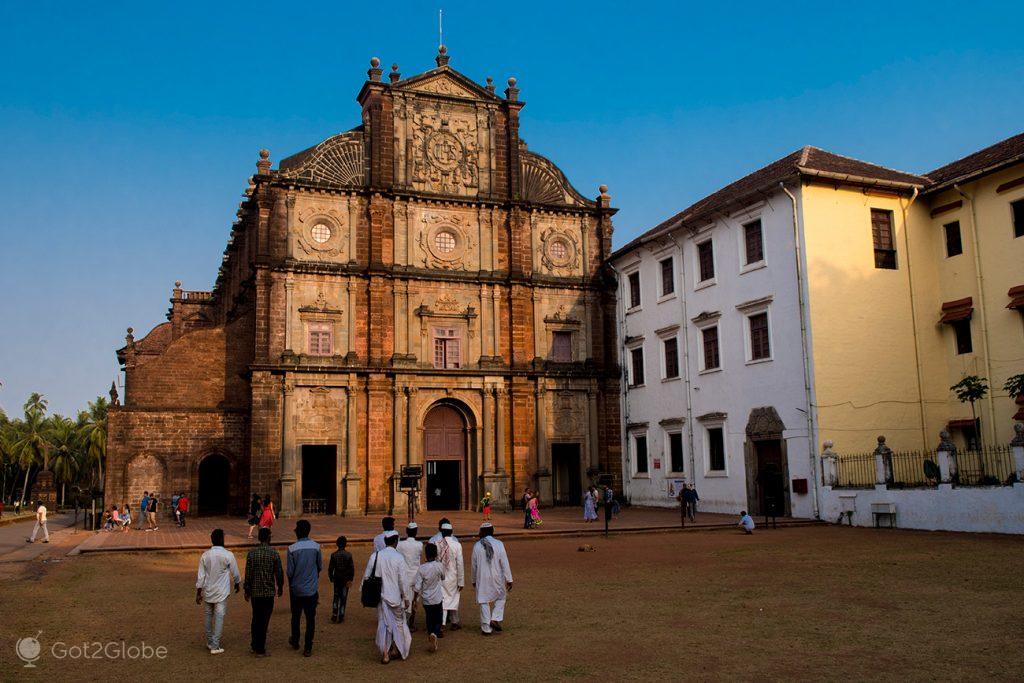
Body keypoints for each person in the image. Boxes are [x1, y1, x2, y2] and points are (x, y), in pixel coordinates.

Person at [364, 530, 411, 664]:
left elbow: (367, 576)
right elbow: (403, 580)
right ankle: (396, 649)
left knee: (383, 623)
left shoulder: (376, 556)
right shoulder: (399, 557)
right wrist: (406, 597)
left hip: (381, 597)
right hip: (395, 597)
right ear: (396, 542)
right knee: (399, 623)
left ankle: (385, 653)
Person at [195, 528, 241, 654]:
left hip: (208, 590)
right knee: (219, 616)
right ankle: (215, 645)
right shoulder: (228, 555)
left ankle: (210, 642)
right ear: (222, 539)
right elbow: (235, 573)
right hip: (222, 591)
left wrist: (198, 593)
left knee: (208, 615)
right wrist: (237, 583)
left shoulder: (205, 555)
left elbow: (201, 576)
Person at [244, 526, 284, 657]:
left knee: (256, 618)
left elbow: (248, 574)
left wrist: (247, 590)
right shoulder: (274, 554)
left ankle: (254, 645)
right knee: (264, 620)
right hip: (268, 592)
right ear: (268, 538)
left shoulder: (252, 554)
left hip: (255, 592)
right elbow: (279, 573)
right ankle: (260, 648)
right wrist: (281, 586)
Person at [287, 519, 321, 657]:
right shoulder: (316, 547)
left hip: (296, 588)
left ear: (298, 532)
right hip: (311, 589)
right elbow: (319, 566)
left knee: (296, 616)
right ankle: (308, 646)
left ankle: (295, 640)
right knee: (310, 618)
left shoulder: (292, 549)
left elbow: (290, 572)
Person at [471, 522, 513, 636]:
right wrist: (509, 579)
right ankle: (495, 618)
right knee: (501, 597)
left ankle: (486, 628)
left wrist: (474, 580)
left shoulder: (477, 545)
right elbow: (504, 563)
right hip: (497, 577)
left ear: (482, 532)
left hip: (482, 577)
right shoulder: (499, 544)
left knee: (483, 600)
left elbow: (474, 566)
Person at [414, 542, 445, 653]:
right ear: (436, 554)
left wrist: (414, 600)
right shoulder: (439, 566)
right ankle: (434, 634)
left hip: (426, 600)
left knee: (429, 618)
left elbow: (417, 587)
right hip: (437, 598)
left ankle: (431, 634)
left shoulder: (421, 568)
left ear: (426, 555)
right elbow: (443, 577)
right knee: (439, 619)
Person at [435, 521, 464, 630]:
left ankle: (447, 622)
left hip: (440, 576)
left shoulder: (437, 544)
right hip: (453, 576)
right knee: (454, 599)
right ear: (451, 532)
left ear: (441, 532)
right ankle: (451, 622)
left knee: (443, 599)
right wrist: (461, 581)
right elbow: (460, 564)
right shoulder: (457, 545)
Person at [397, 522, 424, 630]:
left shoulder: (400, 544)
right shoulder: (419, 545)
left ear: (407, 532)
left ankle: (404, 622)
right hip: (416, 575)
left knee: (404, 599)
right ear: (416, 532)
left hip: (405, 576)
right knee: (414, 600)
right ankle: (411, 624)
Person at [328, 535, 354, 623]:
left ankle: (334, 614)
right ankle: (341, 615)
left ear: (337, 544)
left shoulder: (334, 555)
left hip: (337, 578)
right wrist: (351, 579)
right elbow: (351, 569)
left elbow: (330, 568)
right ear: (345, 544)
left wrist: (331, 577)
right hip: (345, 578)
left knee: (336, 596)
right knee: (343, 597)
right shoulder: (348, 555)